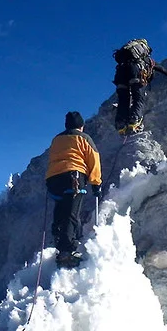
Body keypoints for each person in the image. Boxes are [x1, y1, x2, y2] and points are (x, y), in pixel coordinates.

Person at [45, 111, 102, 268]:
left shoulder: (57, 139)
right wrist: (96, 183)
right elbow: (94, 159)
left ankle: (59, 240)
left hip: (53, 179)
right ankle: (66, 251)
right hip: (73, 177)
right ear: (81, 126)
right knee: (71, 213)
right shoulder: (84, 138)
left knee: (61, 208)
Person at [112, 39, 167, 135]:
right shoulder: (146, 60)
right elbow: (163, 70)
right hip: (135, 73)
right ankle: (134, 121)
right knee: (138, 98)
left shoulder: (123, 61)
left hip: (120, 75)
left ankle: (120, 124)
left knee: (123, 100)